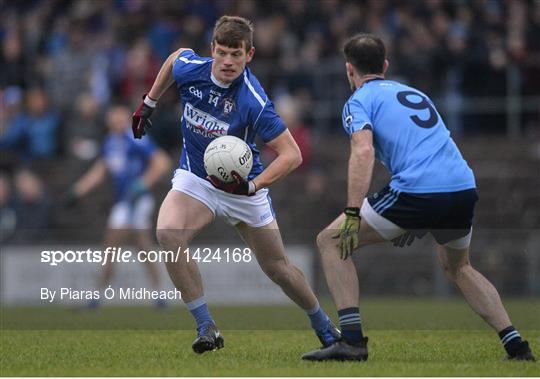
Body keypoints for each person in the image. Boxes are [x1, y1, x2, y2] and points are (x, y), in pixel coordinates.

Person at [302, 34, 536, 362]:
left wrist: (353, 211)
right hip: (462, 186)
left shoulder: (359, 100)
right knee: (459, 267)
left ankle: (352, 342)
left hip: (419, 189)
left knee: (330, 241)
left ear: (348, 70)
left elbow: (363, 151)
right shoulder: (414, 93)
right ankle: (517, 347)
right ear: (385, 65)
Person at [131, 15, 340, 354]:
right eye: (223, 52)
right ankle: (206, 327)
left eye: (236, 55)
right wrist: (149, 103)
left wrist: (253, 186)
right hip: (196, 178)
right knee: (168, 232)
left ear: (250, 55)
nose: (228, 62)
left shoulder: (252, 101)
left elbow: (292, 155)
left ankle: (323, 325)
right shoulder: (191, 68)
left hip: (243, 188)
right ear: (212, 49)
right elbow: (174, 58)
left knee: (278, 269)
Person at [66, 104, 171, 308]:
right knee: (141, 247)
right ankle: (159, 295)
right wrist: (76, 192)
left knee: (113, 244)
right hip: (124, 201)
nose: (118, 122)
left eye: (121, 118)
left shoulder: (137, 138)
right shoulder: (110, 143)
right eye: (114, 118)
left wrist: (142, 184)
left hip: (138, 201)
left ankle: (97, 296)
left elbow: (162, 162)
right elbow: (99, 172)